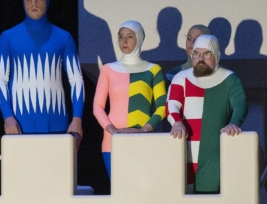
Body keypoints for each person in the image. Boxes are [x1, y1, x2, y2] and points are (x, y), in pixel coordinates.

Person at [0, 0, 84, 142]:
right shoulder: (8, 37)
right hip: (19, 125)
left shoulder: (64, 37)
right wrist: (8, 116)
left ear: (47, 1)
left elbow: (76, 79)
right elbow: (0, 79)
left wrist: (77, 119)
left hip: (57, 123)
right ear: (23, 2)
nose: (33, 3)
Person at [168, 33, 246, 192]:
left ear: (216, 54)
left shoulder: (230, 79)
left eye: (206, 54)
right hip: (182, 152)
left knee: (208, 201)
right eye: (196, 54)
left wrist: (234, 123)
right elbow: (172, 104)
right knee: (181, 202)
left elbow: (241, 104)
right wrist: (177, 123)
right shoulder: (181, 77)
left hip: (213, 156)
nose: (200, 59)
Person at [92, 20, 167, 176]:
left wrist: (144, 129)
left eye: (130, 36)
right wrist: (113, 131)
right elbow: (97, 106)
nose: (124, 41)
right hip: (112, 141)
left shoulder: (153, 70)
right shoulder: (108, 69)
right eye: (121, 36)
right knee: (118, 188)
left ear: (139, 38)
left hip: (143, 140)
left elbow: (163, 106)